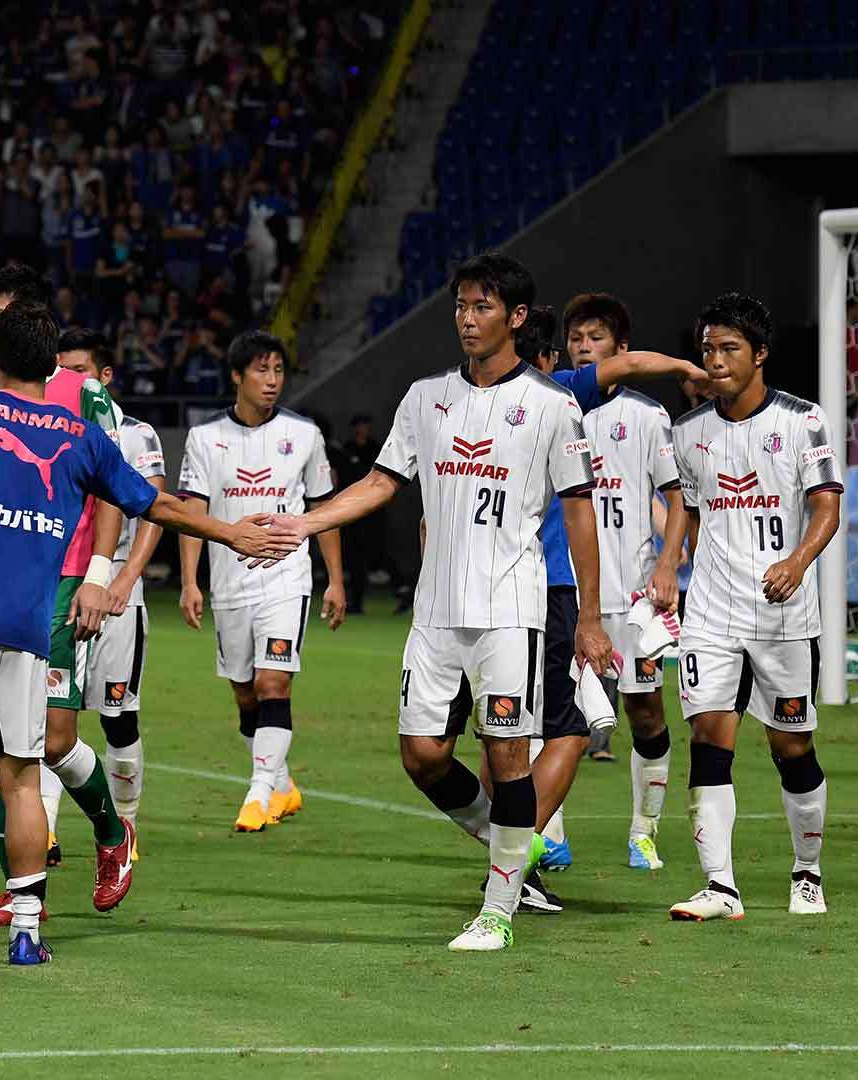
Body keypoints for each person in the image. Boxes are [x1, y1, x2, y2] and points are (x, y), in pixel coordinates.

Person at [0, 299, 292, 967]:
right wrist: (231, 532)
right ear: (53, 365)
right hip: (33, 624)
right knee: (21, 774)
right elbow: (152, 502)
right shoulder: (82, 436)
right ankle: (28, 929)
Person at [258, 252, 612, 951]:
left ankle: (498, 911)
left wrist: (593, 616)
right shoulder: (426, 398)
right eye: (460, 306)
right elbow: (383, 482)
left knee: (509, 754)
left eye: (483, 307)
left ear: (514, 317)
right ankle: (506, 843)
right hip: (435, 611)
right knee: (420, 754)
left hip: (512, 608)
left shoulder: (552, 405)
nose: (468, 319)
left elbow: (578, 514)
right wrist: (305, 520)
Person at [665, 293, 843, 921]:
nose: (714, 360)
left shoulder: (803, 421)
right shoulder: (686, 433)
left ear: (760, 353)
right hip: (711, 610)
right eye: (708, 348)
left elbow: (827, 505)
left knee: (791, 746)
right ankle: (721, 886)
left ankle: (807, 870)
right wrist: (666, 568)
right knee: (709, 739)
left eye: (729, 348)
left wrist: (796, 563)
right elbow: (685, 508)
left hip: (783, 615)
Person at [0, 265, 131, 928]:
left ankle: (113, 834)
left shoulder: (84, 393)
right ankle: (17, 884)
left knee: (56, 737)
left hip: (65, 579)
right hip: (2, 585)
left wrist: (98, 573)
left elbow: (114, 485)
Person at [177, 330, 346, 832]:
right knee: (246, 693)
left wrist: (334, 579)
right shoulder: (205, 438)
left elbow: (323, 509)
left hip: (286, 578)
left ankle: (257, 793)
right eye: (261, 370)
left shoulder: (305, 435)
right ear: (237, 376)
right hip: (229, 583)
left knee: (274, 682)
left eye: (278, 371)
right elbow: (192, 512)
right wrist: (191, 581)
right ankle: (283, 784)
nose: (272, 381)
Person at [562, 294, 688, 872]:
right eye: (576, 339)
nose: (583, 347)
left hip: (632, 596)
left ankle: (644, 830)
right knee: (555, 718)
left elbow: (676, 497)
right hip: (565, 593)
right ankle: (550, 833)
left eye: (595, 337)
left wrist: (668, 564)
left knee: (645, 712)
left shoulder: (646, 416)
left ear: (621, 349)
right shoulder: (550, 407)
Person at [58, 327, 164, 836]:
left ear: (103, 376)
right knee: (51, 715)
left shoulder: (137, 434)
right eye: (63, 370)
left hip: (119, 598)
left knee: (118, 718)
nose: (70, 380)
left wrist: (125, 579)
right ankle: (48, 828)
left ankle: (127, 823)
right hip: (62, 592)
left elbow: (153, 511)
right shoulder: (52, 431)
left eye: (79, 371)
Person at [331, 414, 383, 614]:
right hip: (349, 511)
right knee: (352, 557)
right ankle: (354, 600)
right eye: (359, 426)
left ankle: (401, 587)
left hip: (372, 513)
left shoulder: (376, 449)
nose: (362, 429)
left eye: (366, 425)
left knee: (376, 554)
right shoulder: (347, 449)